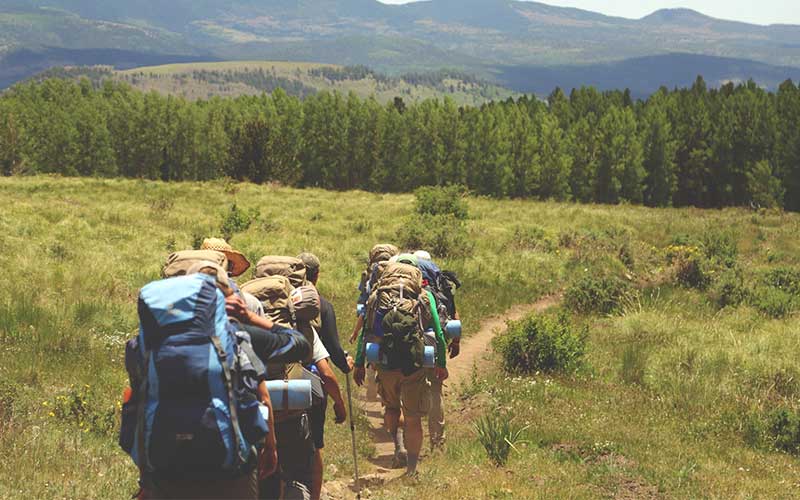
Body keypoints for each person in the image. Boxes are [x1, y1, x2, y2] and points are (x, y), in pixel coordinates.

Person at [123, 262, 312, 500]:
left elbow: (137, 404)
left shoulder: (145, 347)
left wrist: (146, 478)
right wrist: (249, 316)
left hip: (165, 471)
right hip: (229, 473)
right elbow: (298, 346)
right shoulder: (239, 338)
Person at [353, 260, 449, 476]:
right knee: (413, 418)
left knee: (391, 408)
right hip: (413, 365)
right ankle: (412, 469)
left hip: (385, 364)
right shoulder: (424, 296)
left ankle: (398, 448)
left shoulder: (377, 295)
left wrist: (360, 363)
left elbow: (365, 333)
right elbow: (439, 332)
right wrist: (441, 363)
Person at [297, 252, 353, 500]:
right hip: (311, 387)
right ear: (316, 275)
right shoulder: (321, 305)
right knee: (314, 447)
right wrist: (346, 366)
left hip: (272, 384)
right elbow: (332, 349)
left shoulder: (278, 304)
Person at [413, 250, 461, 449]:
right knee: (435, 391)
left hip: (411, 349)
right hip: (433, 346)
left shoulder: (406, 290)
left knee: (408, 394)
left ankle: (409, 443)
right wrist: (455, 342)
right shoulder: (439, 289)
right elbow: (453, 317)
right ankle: (437, 441)